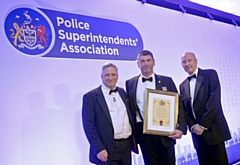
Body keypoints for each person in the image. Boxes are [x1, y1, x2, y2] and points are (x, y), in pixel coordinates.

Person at [125, 50, 187, 165]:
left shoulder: (167, 81)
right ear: (138, 64)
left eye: (148, 60)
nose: (146, 63)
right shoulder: (130, 84)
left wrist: (181, 128)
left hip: (166, 132)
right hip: (144, 135)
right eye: (142, 61)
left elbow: (179, 105)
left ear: (154, 62)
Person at [179, 52, 231, 165]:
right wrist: (192, 126)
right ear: (181, 65)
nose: (187, 64)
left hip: (213, 132)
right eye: (184, 62)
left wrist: (202, 125)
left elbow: (214, 102)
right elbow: (184, 110)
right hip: (197, 136)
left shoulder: (210, 74)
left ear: (196, 61)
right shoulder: (182, 86)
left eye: (190, 60)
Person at [82, 62, 136, 165]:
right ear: (101, 77)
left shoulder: (122, 92)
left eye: (113, 74)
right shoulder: (91, 96)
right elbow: (89, 126)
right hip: (106, 148)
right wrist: (98, 148)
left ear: (117, 76)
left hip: (126, 146)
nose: (110, 78)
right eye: (107, 75)